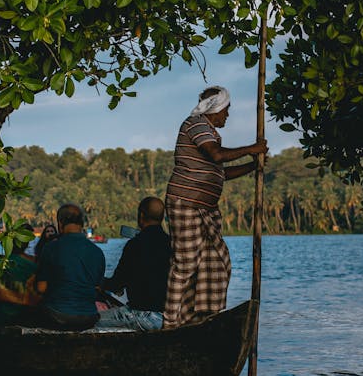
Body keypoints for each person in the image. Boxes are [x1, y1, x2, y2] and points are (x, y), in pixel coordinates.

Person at [163, 86, 267, 329]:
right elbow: (216, 155)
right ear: (216, 109)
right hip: (185, 204)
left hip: (206, 210)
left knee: (216, 262)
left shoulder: (209, 132)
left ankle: (196, 320)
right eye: (226, 111)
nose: (227, 116)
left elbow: (221, 172)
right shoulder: (196, 124)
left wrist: (253, 166)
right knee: (185, 264)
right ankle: (170, 325)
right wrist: (252, 148)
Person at [95, 196, 170, 331]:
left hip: (141, 316)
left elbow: (117, 283)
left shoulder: (134, 245)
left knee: (93, 320)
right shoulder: (171, 243)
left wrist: (98, 282)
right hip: (167, 316)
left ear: (141, 215)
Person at [35, 203, 105, 330]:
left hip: (57, 316)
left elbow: (41, 288)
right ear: (82, 224)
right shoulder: (97, 251)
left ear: (60, 224)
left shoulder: (51, 248)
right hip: (89, 317)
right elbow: (98, 287)